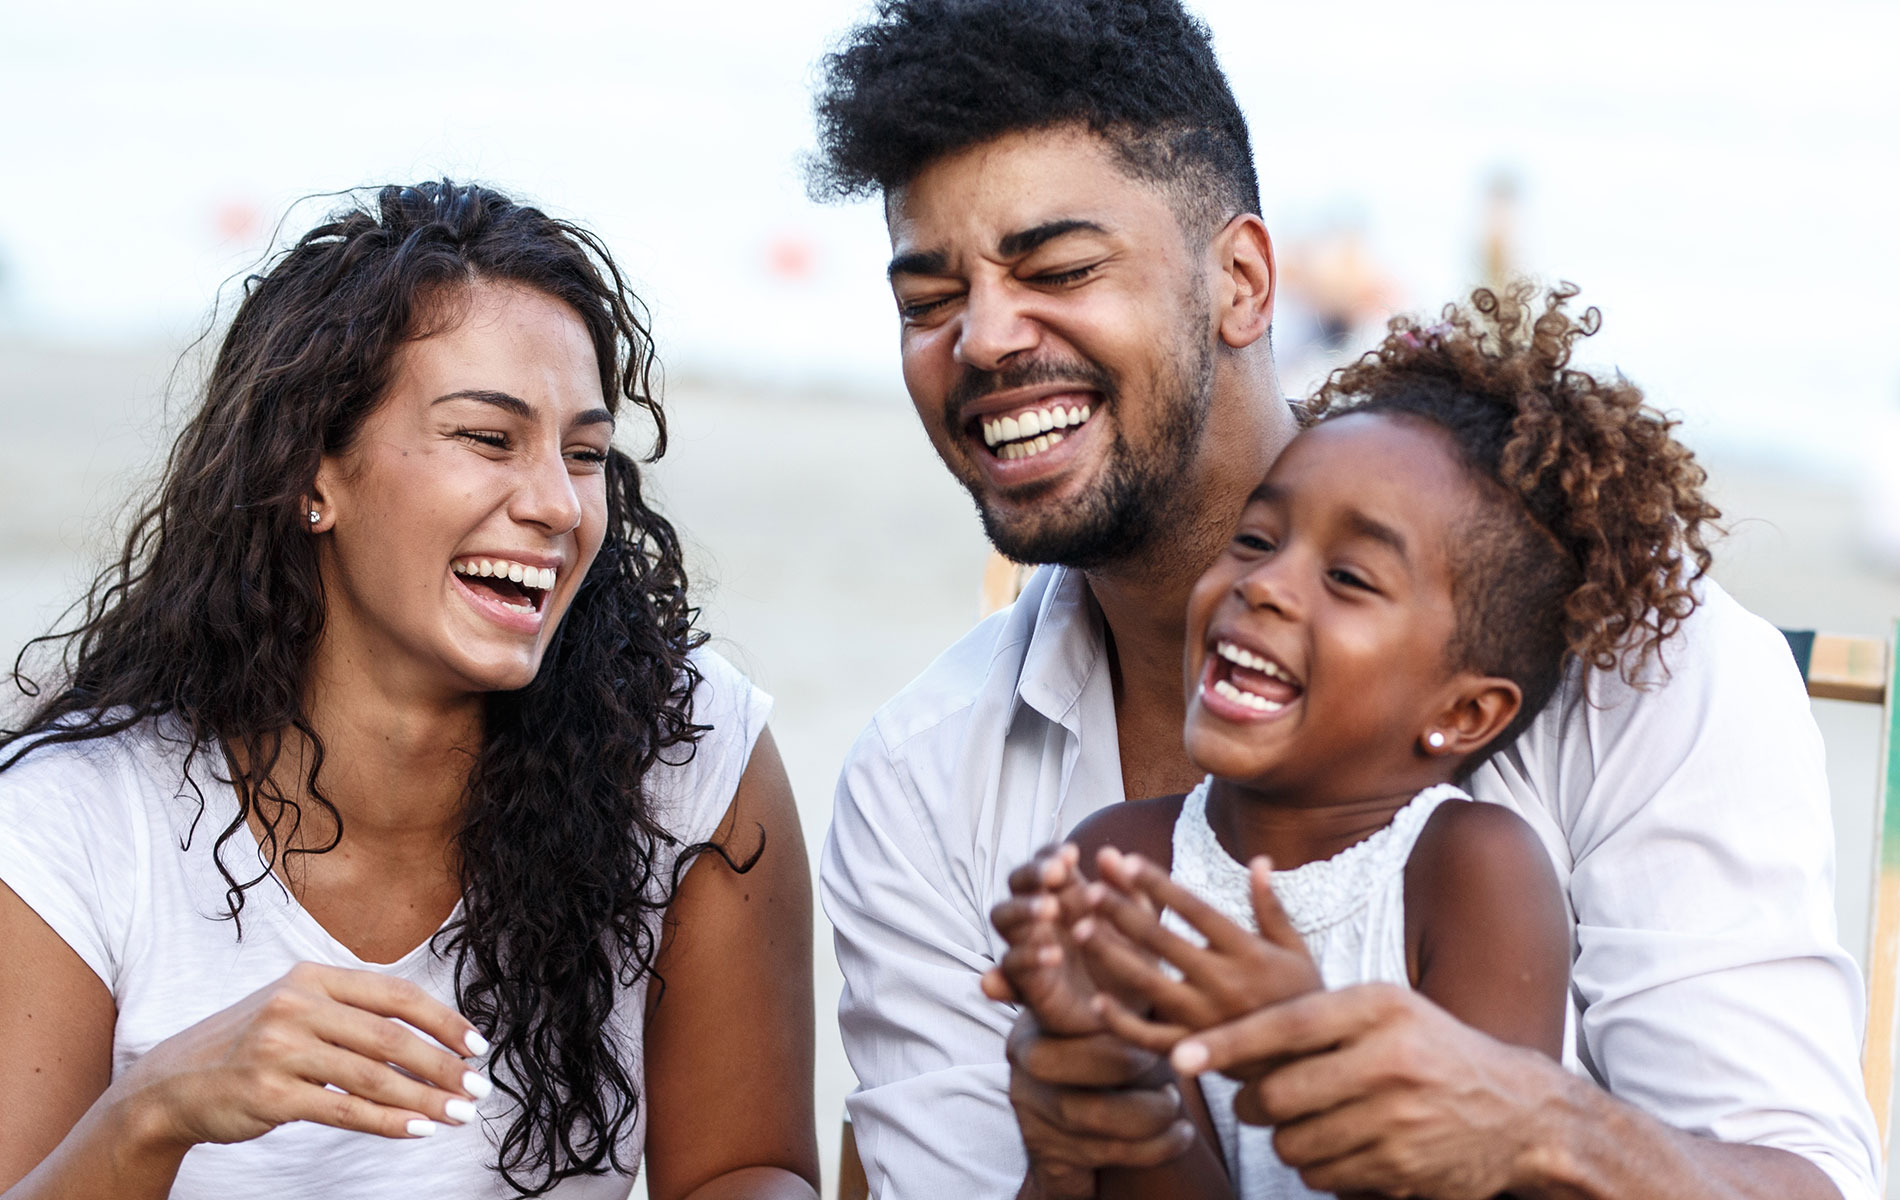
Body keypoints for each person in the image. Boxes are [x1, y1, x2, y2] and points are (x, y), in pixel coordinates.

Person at [809, 2, 1880, 1198]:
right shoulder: (923, 782)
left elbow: (1800, 1181)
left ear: (1244, 280)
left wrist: (1532, 1120)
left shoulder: (1627, 653)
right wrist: (1096, 1129)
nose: (983, 339)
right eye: (926, 301)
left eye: (1059, 269)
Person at [0, 182, 819, 1200]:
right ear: (313, 475)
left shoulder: (689, 753)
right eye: (487, 438)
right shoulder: (77, 817)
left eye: (586, 454)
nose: (556, 505)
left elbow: (749, 1169)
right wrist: (155, 1112)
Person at [994, 285, 1714, 1196]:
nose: (1267, 585)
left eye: (1347, 577)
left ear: (1463, 716)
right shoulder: (1117, 859)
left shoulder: (1470, 874)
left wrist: (1301, 1051)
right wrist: (1105, 1088)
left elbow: (1470, 1173)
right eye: (1255, 539)